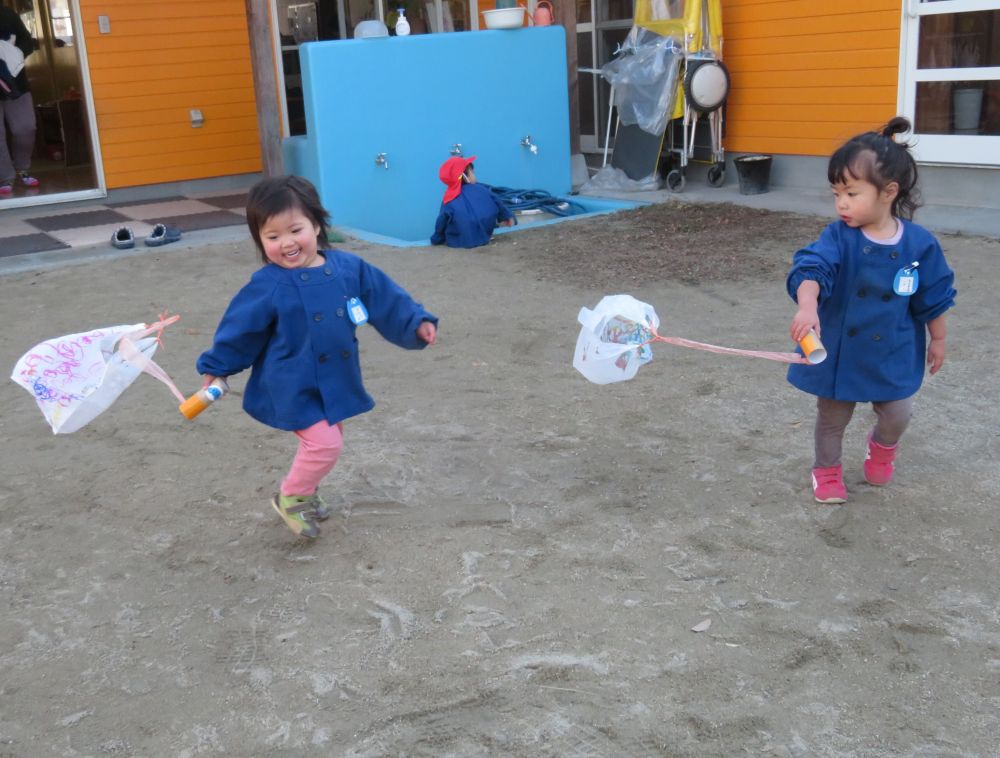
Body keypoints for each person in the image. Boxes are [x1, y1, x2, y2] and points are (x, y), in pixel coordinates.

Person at [196, 175, 438, 539]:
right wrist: (217, 368)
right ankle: (291, 497)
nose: (287, 243)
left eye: (295, 230)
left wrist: (414, 321)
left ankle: (307, 491)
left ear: (316, 224)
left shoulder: (347, 268)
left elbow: (383, 297)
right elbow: (240, 329)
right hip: (290, 381)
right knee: (325, 444)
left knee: (328, 439)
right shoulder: (269, 284)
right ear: (260, 240)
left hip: (334, 377)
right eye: (272, 237)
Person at [786, 116, 956, 504]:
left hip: (891, 351)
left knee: (898, 413)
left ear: (888, 192)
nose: (841, 204)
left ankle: (882, 447)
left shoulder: (919, 244)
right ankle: (826, 471)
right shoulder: (838, 237)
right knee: (832, 418)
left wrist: (939, 338)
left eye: (851, 193)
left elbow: (934, 293)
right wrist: (808, 306)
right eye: (836, 193)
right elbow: (811, 268)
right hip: (840, 352)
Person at [431, 155, 513, 248]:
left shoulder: (449, 198)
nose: (475, 176)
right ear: (465, 177)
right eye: (473, 173)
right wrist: (506, 217)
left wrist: (436, 238)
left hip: (459, 241)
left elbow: (441, 221)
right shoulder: (481, 189)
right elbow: (498, 203)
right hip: (485, 236)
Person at [0, 4, 39, 196]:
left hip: (15, 83)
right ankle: (4, 178)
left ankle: (22, 168)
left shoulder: (7, 14)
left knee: (26, 127)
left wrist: (15, 55)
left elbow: (27, 42)